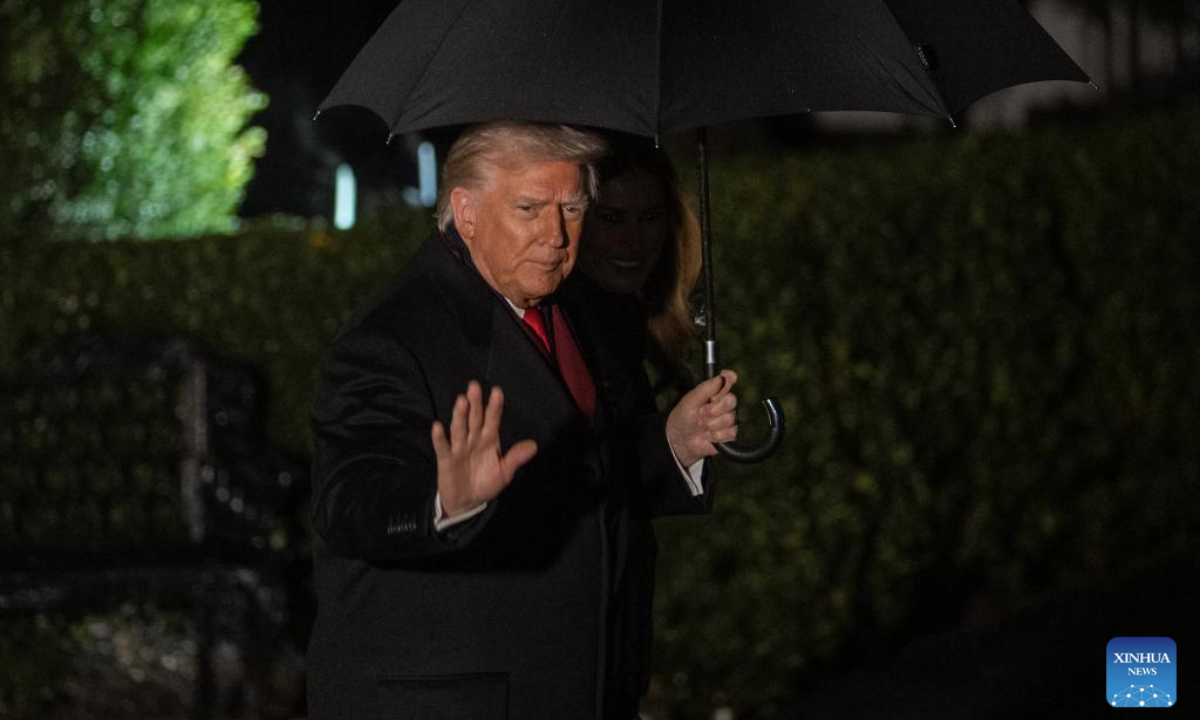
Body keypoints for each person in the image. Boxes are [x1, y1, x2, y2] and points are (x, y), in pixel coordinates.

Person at [306, 121, 738, 720]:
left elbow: (581, 472)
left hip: (585, 684)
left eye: (572, 208)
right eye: (530, 208)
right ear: (466, 212)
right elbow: (347, 499)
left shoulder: (577, 311)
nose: (556, 235)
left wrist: (672, 444)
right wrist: (443, 499)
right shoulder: (394, 336)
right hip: (454, 699)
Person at [575, 135, 703, 400]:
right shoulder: (566, 327)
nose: (633, 240)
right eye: (612, 218)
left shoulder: (634, 316)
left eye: (650, 217)